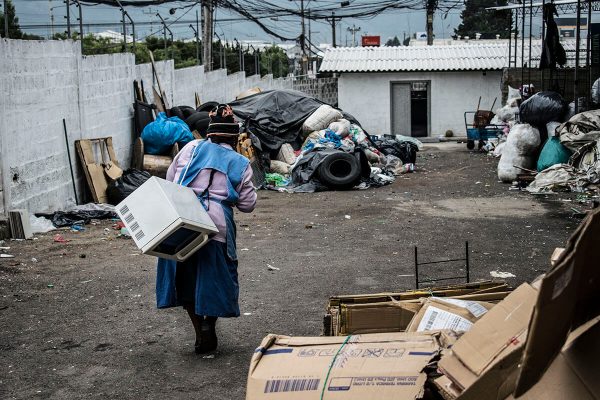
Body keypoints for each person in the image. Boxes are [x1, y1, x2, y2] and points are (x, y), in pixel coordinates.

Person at [155, 104, 256, 354]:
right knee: (214, 280)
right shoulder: (241, 162)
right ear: (234, 137)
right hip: (217, 225)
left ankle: (198, 328)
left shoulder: (190, 147)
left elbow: (171, 179)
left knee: (185, 278)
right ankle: (209, 323)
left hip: (183, 218)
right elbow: (248, 205)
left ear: (209, 134)